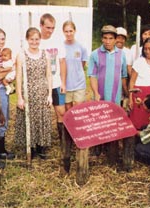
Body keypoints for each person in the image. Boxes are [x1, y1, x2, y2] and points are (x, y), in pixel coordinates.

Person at [88, 25, 128, 163]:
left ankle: (111, 151)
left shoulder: (122, 54)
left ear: (116, 39)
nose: (107, 41)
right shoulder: (95, 54)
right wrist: (96, 93)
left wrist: (126, 94)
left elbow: (123, 76)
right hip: (100, 96)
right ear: (101, 38)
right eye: (105, 38)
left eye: (111, 38)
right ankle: (97, 147)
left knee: (112, 122)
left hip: (115, 97)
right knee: (99, 121)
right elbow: (92, 75)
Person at [15, 27, 52, 159]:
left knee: (41, 117)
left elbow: (48, 75)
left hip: (42, 90)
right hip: (28, 91)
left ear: (40, 40)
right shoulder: (21, 55)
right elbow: (18, 77)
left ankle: (41, 145)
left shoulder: (46, 54)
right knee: (30, 117)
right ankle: (31, 146)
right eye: (32, 39)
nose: (34, 42)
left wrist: (50, 94)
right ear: (27, 39)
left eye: (37, 39)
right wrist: (19, 97)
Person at [61, 20, 88, 173]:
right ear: (63, 32)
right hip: (66, 85)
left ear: (75, 31)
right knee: (68, 113)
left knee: (78, 112)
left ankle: (79, 139)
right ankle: (68, 140)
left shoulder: (81, 47)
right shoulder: (61, 47)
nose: (69, 33)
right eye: (66, 31)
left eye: (71, 31)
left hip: (78, 84)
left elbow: (82, 64)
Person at [39, 13, 67, 157]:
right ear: (41, 26)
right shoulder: (36, 41)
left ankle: (63, 140)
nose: (50, 31)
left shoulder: (57, 42)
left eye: (53, 28)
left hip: (56, 82)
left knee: (61, 112)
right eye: (47, 27)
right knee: (43, 114)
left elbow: (62, 62)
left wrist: (63, 82)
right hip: (41, 83)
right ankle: (42, 143)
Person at [0, 28, 15, 160]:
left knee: (4, 117)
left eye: (3, 39)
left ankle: (1, 148)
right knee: (2, 118)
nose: (1, 41)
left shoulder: (1, 53)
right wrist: (12, 68)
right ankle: (0, 151)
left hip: (1, 88)